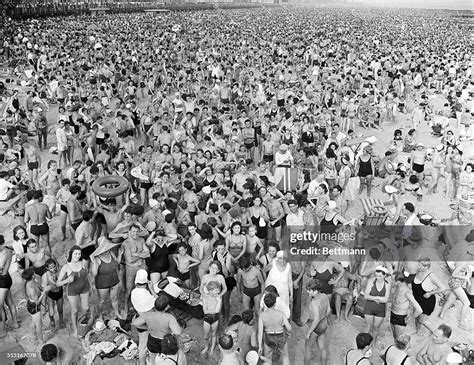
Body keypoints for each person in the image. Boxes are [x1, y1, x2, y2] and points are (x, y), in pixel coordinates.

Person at [132, 295, 182, 364]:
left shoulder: (148, 315)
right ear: (166, 307)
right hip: (165, 341)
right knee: (167, 360)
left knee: (152, 360)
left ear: (154, 306)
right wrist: (170, 331)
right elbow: (178, 332)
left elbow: (135, 323)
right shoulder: (169, 317)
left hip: (152, 340)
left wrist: (148, 328)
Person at [56, 245, 91, 337]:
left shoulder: (83, 262)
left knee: (86, 308)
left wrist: (91, 286)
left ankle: (85, 324)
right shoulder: (66, 267)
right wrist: (67, 280)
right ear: (71, 254)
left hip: (84, 288)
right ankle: (76, 329)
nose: (78, 256)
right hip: (72, 290)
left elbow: (87, 276)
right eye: (76, 254)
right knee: (75, 310)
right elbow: (58, 283)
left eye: (79, 254)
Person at [90, 236, 122, 320]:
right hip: (102, 282)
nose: (107, 250)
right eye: (105, 248)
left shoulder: (111, 253)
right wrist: (93, 263)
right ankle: (100, 315)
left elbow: (117, 263)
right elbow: (94, 274)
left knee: (114, 298)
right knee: (101, 300)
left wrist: (120, 255)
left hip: (114, 278)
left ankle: (117, 313)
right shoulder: (97, 259)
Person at [411, 257, 445, 332]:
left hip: (426, 302)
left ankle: (436, 333)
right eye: (418, 265)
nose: (418, 267)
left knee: (422, 320)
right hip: (417, 299)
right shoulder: (417, 271)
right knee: (416, 318)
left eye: (420, 266)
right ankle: (418, 331)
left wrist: (430, 293)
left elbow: (443, 288)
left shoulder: (431, 276)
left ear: (426, 267)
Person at [131, 269, 157, 365]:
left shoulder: (133, 292)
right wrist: (152, 289)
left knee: (142, 345)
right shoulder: (147, 296)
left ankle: (141, 362)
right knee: (149, 345)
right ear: (147, 281)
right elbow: (160, 302)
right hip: (148, 322)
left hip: (139, 318)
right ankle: (150, 362)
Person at [258, 293, 292, 365]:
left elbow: (260, 333)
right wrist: (288, 333)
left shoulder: (262, 315)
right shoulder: (281, 313)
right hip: (280, 336)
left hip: (269, 337)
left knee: (267, 358)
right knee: (285, 357)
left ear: (265, 303)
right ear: (275, 303)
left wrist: (260, 347)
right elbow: (289, 328)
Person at [304, 279, 330, 365]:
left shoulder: (314, 302)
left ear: (315, 290)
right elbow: (328, 310)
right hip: (323, 324)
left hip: (315, 326)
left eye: (309, 290)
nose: (308, 292)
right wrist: (324, 318)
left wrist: (309, 332)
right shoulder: (325, 296)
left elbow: (316, 319)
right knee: (322, 347)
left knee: (308, 348)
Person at [390, 272, 422, 340]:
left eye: (392, 279)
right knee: (394, 335)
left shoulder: (407, 292)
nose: (390, 280)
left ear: (398, 282)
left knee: (399, 339)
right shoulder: (396, 287)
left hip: (400, 317)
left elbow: (419, 310)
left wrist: (411, 317)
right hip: (392, 314)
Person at [363, 265, 391, 344]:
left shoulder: (388, 283)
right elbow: (366, 296)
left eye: (380, 276)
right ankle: (365, 344)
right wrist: (378, 298)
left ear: (384, 275)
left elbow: (386, 299)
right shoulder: (371, 281)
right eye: (376, 276)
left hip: (380, 310)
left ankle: (374, 342)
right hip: (369, 307)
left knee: (376, 328)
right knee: (367, 327)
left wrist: (373, 297)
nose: (377, 278)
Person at [0, 235, 18, 337]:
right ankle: (15, 323)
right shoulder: (5, 249)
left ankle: (2, 330)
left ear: (2, 244)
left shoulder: (6, 253)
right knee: (9, 302)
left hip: (3, 280)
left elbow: (0, 267)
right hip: (3, 278)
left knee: (0, 305)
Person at [22, 267, 46, 345]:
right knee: (39, 325)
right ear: (32, 275)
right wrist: (44, 292)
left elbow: (38, 286)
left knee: (33, 322)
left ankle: (34, 336)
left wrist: (41, 288)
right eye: (34, 273)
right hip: (34, 306)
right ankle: (41, 341)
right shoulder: (31, 289)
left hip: (30, 303)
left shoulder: (30, 282)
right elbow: (37, 302)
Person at [201, 280, 223, 356]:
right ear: (210, 291)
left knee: (214, 334)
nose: (218, 292)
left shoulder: (219, 298)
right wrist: (214, 310)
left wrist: (219, 302)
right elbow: (205, 311)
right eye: (216, 290)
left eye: (218, 290)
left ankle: (212, 348)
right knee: (206, 336)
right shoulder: (205, 298)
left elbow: (218, 310)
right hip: (207, 319)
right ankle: (206, 347)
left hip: (215, 319)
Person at [42, 258, 65, 329]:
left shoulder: (59, 272)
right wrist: (48, 287)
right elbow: (44, 287)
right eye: (51, 268)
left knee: (60, 309)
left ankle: (61, 322)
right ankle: (52, 321)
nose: (53, 269)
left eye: (54, 267)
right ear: (47, 268)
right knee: (51, 313)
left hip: (59, 293)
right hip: (51, 295)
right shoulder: (45, 275)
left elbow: (63, 281)